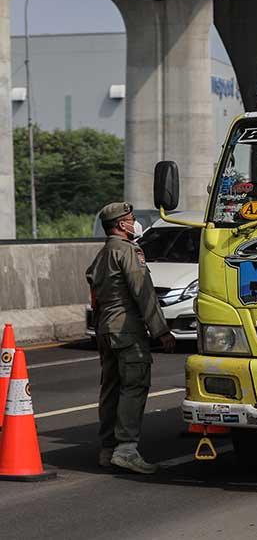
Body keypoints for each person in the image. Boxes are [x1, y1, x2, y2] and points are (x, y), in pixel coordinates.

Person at [86, 202, 176, 474]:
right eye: (131, 219)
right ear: (120, 225)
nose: (135, 223)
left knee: (111, 388)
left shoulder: (103, 254)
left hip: (106, 329)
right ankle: (126, 449)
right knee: (134, 386)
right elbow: (143, 292)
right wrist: (161, 331)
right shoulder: (128, 251)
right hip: (126, 329)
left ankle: (107, 449)